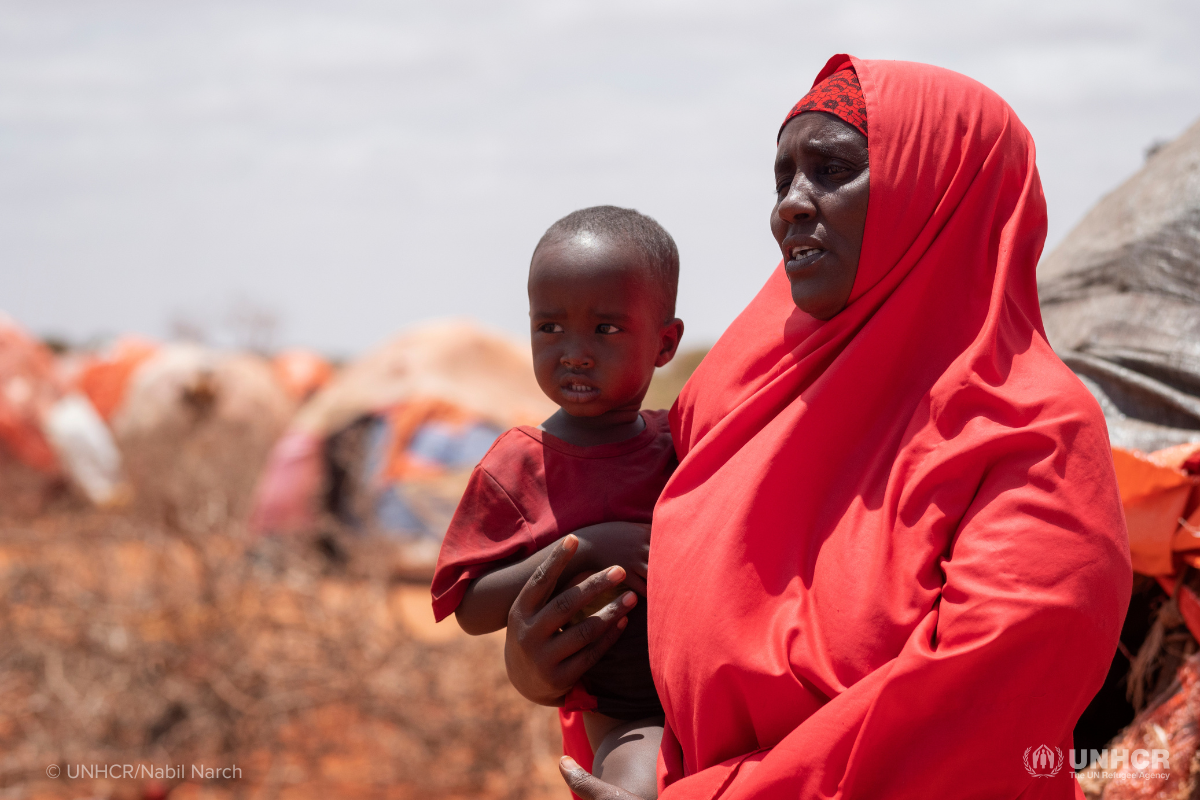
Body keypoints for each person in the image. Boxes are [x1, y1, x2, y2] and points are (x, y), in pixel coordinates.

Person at [504, 55, 1133, 799]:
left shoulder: (1031, 434)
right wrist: (552, 664)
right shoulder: (733, 392)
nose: (790, 207)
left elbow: (974, 711)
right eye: (782, 179)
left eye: (831, 170)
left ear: (939, 190)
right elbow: (655, 614)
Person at [430, 206, 685, 799]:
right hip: (630, 713)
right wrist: (589, 547)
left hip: (722, 688)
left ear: (665, 343)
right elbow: (469, 606)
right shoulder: (519, 465)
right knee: (635, 789)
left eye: (605, 329)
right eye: (549, 328)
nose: (574, 351)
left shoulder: (684, 438)